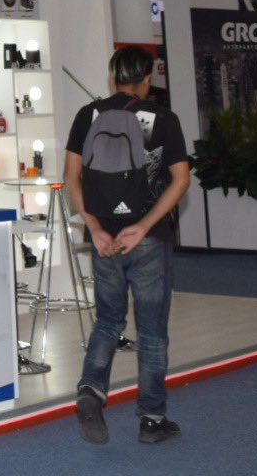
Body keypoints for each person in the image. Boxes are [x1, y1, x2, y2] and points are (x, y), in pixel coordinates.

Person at [65, 46, 191, 447]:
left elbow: (71, 178)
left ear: (113, 78)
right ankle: (152, 419)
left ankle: (91, 389)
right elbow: (181, 180)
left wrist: (95, 228)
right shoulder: (164, 119)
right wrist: (143, 226)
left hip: (104, 239)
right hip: (148, 239)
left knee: (108, 320)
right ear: (146, 79)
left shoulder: (88, 115)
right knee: (152, 332)